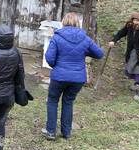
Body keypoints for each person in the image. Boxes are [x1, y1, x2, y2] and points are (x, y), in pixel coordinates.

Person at [43, 12, 104, 140]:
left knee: (53, 101)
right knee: (68, 102)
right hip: (78, 78)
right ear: (77, 23)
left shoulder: (57, 37)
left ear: (63, 22)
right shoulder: (85, 38)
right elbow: (99, 54)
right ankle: (66, 133)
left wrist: (56, 66)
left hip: (59, 76)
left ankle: (50, 132)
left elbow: (49, 57)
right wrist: (85, 52)